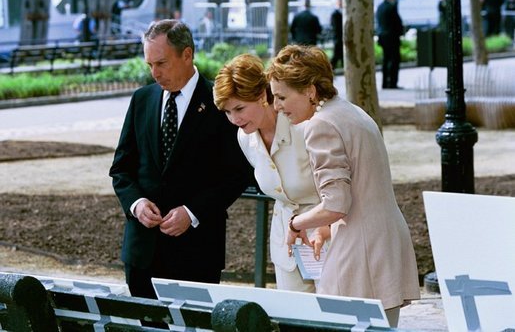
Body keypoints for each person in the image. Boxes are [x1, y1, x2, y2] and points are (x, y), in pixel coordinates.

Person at [266, 44, 420, 328]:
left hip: (360, 252)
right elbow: (362, 186)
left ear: (310, 91)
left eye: (281, 97)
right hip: (385, 240)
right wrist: (324, 228)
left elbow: (337, 204)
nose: (277, 106)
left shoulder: (319, 125)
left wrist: (296, 223)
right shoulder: (351, 112)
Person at [109, 19, 251, 301]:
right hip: (141, 254)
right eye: (149, 65)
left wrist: (192, 212)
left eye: (161, 63)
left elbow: (237, 175)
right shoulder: (141, 100)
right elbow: (121, 169)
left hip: (196, 254)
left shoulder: (221, 104)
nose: (155, 73)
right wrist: (137, 205)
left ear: (187, 55)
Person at [213, 54, 330, 293]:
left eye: (239, 108)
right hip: (286, 242)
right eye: (227, 112)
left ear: (261, 96)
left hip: (326, 233)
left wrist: (326, 227)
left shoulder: (303, 125)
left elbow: (338, 186)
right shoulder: (244, 138)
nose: (234, 119)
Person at [376, 0, 404, 89]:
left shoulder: (379, 7)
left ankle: (384, 83)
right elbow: (397, 23)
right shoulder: (392, 7)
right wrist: (401, 32)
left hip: (382, 37)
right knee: (394, 60)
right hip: (392, 37)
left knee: (386, 60)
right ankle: (392, 83)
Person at [330, 0, 344, 70]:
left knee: (341, 57)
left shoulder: (341, 13)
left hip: (341, 39)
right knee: (336, 57)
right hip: (338, 39)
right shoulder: (335, 14)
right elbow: (335, 28)